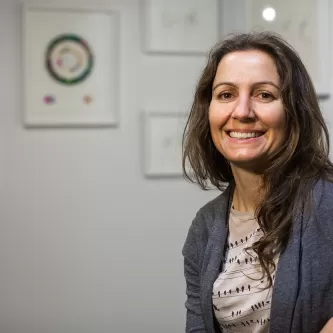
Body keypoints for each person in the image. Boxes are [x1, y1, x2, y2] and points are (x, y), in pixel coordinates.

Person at [181, 31, 333, 333]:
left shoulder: (328, 203)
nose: (242, 112)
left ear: (293, 112)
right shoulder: (204, 228)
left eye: (264, 94)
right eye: (226, 94)